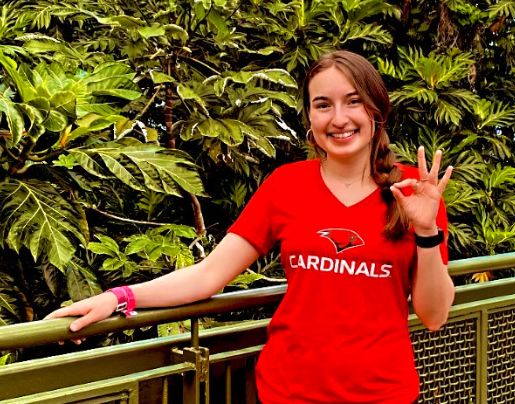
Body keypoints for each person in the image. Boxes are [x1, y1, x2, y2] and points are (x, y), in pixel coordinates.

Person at [46, 50, 455, 404]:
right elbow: (209, 275)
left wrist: (425, 230)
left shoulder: (413, 191)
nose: (339, 118)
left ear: (376, 110)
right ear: (310, 117)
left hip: (382, 394)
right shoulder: (287, 185)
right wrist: (119, 298)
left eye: (353, 101)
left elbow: (433, 316)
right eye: (323, 104)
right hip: (287, 391)